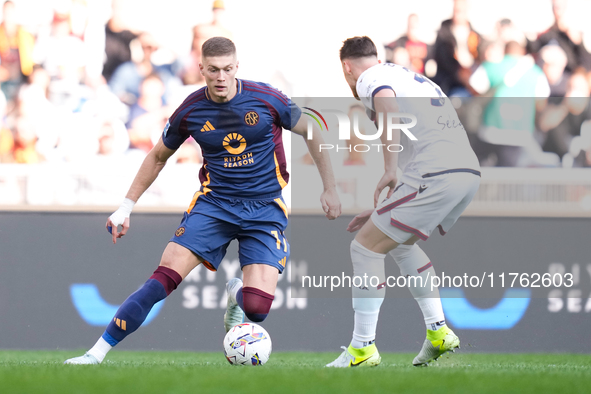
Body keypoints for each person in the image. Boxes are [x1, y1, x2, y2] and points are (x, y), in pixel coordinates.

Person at [64, 36, 341, 365]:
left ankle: (236, 297)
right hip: (215, 206)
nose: (221, 77)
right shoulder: (191, 109)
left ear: (237, 67)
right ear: (201, 70)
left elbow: (312, 130)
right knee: (161, 279)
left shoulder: (267, 99)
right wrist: (125, 207)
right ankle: (96, 354)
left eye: (227, 69)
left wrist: (329, 187)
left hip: (264, 208)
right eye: (213, 70)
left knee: (257, 309)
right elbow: (157, 157)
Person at [326, 36, 480, 368]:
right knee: (399, 244)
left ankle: (362, 348)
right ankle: (438, 332)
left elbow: (387, 107)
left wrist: (389, 168)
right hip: (465, 170)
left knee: (364, 248)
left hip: (435, 171)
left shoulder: (371, 77)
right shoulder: (407, 75)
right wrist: (389, 205)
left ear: (347, 67)